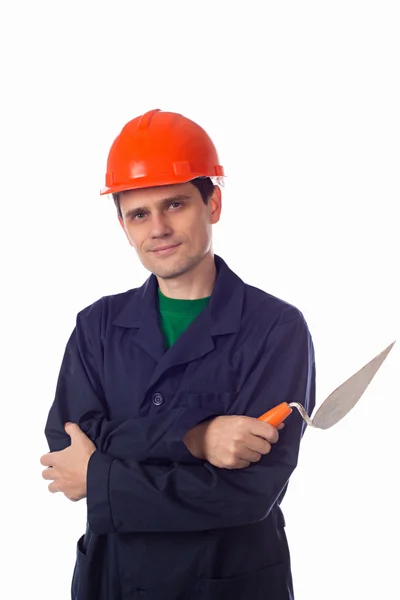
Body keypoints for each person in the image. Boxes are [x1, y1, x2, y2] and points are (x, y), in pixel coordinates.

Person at [41, 108, 316, 600]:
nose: (158, 228)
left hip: (228, 583)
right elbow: (67, 450)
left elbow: (247, 494)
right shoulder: (97, 326)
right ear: (123, 225)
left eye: (175, 204)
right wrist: (195, 439)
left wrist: (101, 474)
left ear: (213, 204)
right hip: (114, 580)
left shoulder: (276, 329)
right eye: (139, 213)